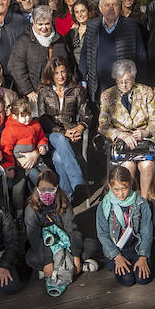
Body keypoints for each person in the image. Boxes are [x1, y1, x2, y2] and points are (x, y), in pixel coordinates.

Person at [24, 169, 99, 296]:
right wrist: (47, 261)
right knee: (30, 257)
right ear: (36, 189)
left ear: (57, 188)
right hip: (46, 248)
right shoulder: (31, 209)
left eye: (50, 189)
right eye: (42, 190)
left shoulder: (64, 203)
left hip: (65, 244)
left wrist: (75, 255)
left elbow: (72, 230)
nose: (46, 193)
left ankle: (60, 268)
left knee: (92, 245)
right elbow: (35, 239)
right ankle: (72, 267)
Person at [97, 59, 155, 199]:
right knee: (128, 166)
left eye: (127, 80)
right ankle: (129, 201)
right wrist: (121, 134)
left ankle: (144, 201)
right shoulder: (107, 96)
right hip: (122, 143)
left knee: (147, 165)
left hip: (144, 141)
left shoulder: (146, 91)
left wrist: (146, 132)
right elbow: (103, 126)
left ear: (134, 78)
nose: (124, 84)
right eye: (120, 81)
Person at [36, 56, 91, 203]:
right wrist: (62, 132)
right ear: (51, 75)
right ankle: (79, 183)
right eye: (56, 73)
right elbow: (42, 119)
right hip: (51, 135)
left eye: (63, 72)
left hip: (72, 135)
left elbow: (87, 115)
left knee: (58, 158)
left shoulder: (77, 90)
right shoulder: (44, 91)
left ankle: (67, 197)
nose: (61, 76)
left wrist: (80, 127)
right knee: (59, 138)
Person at [79, 0, 147, 104]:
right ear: (100, 8)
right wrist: (82, 81)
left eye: (115, 5)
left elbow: (141, 56)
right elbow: (84, 55)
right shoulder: (92, 26)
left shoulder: (131, 26)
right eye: (107, 5)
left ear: (120, 7)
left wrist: (142, 84)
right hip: (97, 87)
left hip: (124, 86)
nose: (111, 8)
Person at [97, 165, 154, 287]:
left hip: (136, 247)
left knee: (142, 278)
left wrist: (143, 256)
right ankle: (115, 263)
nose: (121, 194)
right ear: (110, 186)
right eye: (116, 189)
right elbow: (102, 234)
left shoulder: (141, 203)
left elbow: (146, 232)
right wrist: (116, 256)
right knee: (127, 280)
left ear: (130, 184)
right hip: (116, 249)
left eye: (124, 188)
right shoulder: (104, 205)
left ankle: (139, 261)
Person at [6, 5, 72, 104]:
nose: (44, 28)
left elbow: (69, 65)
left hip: (59, 94)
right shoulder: (24, 40)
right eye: (40, 24)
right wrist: (28, 90)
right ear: (33, 22)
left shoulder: (60, 40)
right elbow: (15, 67)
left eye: (47, 24)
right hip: (35, 96)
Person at [0, 98, 50, 188]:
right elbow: (6, 149)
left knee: (48, 178)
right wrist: (9, 167)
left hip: (37, 161)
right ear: (15, 116)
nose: (28, 118)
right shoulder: (10, 129)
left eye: (29, 114)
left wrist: (42, 146)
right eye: (23, 116)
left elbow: (41, 138)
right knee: (21, 188)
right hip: (21, 166)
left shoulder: (35, 125)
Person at [65, 0, 93, 65]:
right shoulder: (72, 33)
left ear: (88, 11)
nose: (80, 15)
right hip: (76, 72)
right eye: (77, 12)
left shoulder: (96, 29)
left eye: (83, 11)